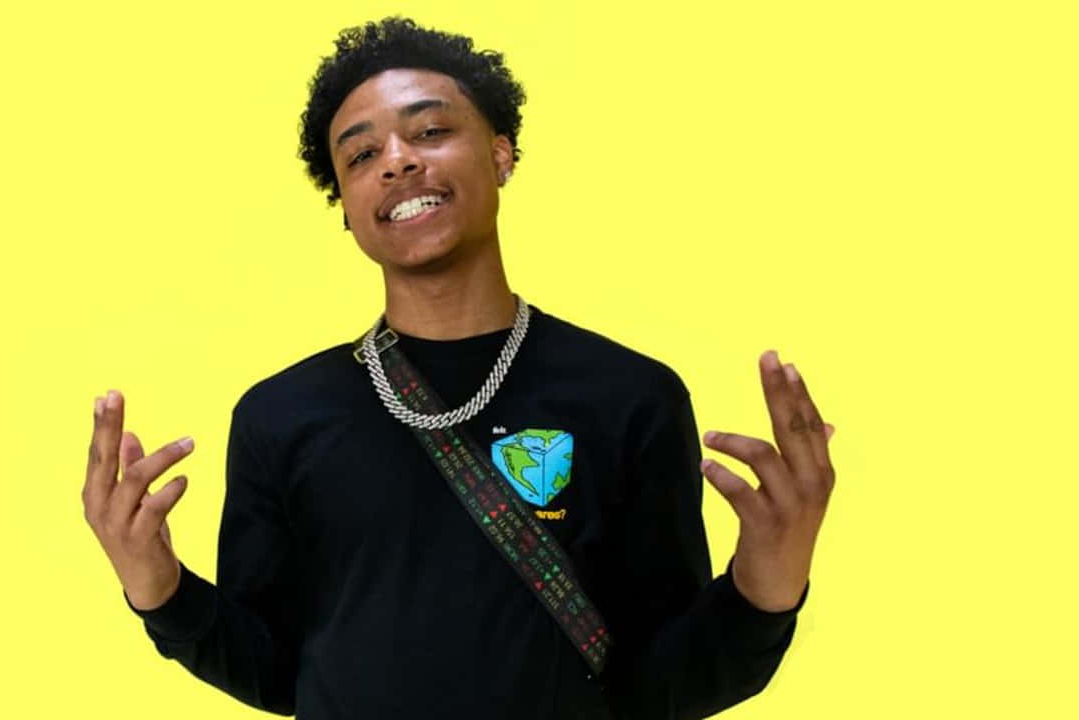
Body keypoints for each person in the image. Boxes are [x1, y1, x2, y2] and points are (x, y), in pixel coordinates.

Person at [81, 16, 838, 720]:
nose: (398, 161)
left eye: (431, 131)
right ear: (344, 204)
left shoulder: (630, 396)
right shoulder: (280, 416)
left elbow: (659, 685)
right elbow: (279, 672)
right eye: (361, 155)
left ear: (501, 154)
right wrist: (159, 589)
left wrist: (766, 584)